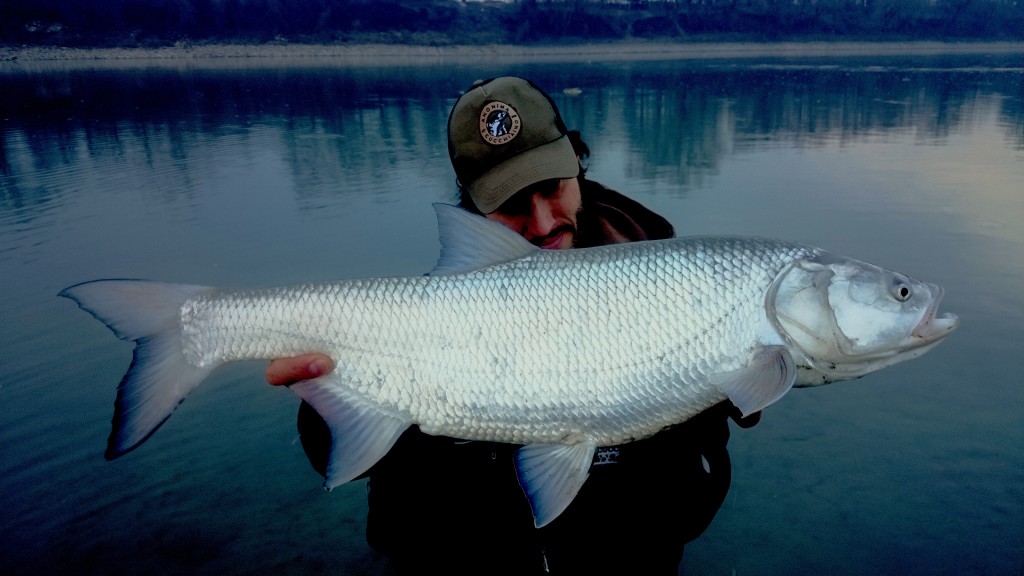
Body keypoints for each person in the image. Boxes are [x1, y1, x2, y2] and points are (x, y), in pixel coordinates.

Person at [265, 76, 760, 574]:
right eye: (512, 205)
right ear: (472, 209)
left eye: (552, 189)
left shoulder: (682, 292)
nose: (543, 223)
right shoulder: (417, 325)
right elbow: (366, 474)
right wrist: (328, 399)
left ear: (577, 167)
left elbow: (694, 498)